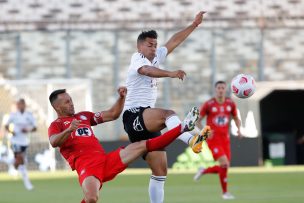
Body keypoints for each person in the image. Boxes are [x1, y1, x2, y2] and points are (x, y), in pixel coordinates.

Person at [48, 87, 199, 203]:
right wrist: (68, 130)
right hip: (87, 166)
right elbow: (54, 142)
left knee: (141, 145)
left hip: (106, 160)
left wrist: (121, 97)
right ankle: (183, 129)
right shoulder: (56, 125)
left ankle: (183, 128)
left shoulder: (84, 116)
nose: (71, 103)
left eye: (71, 99)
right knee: (92, 198)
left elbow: (113, 114)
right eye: (67, 102)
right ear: (57, 107)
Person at [123, 11, 210, 203]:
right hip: (134, 116)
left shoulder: (155, 57)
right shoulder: (137, 58)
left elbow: (174, 41)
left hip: (146, 121)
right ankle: (191, 140)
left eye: (155, 45)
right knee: (168, 115)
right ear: (140, 46)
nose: (154, 48)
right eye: (149, 45)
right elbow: (147, 71)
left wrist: (194, 24)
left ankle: (191, 136)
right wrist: (170, 73)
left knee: (160, 171)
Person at [193, 81, 242, 200]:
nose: (220, 90)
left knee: (224, 166)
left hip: (225, 138)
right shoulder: (209, 104)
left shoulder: (230, 103)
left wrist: (239, 129)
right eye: (219, 88)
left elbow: (236, 117)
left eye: (222, 88)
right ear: (215, 90)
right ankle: (225, 193)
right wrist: (205, 132)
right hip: (213, 139)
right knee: (224, 164)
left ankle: (204, 170)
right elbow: (197, 121)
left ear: (225, 90)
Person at [4, 98, 37, 190]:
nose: (20, 106)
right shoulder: (13, 115)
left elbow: (35, 127)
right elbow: (6, 125)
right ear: (17, 105)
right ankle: (28, 184)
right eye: (19, 104)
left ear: (24, 105)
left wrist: (28, 130)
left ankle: (6, 160)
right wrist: (11, 132)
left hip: (24, 142)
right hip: (15, 141)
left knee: (20, 162)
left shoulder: (29, 115)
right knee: (21, 159)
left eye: (22, 104)